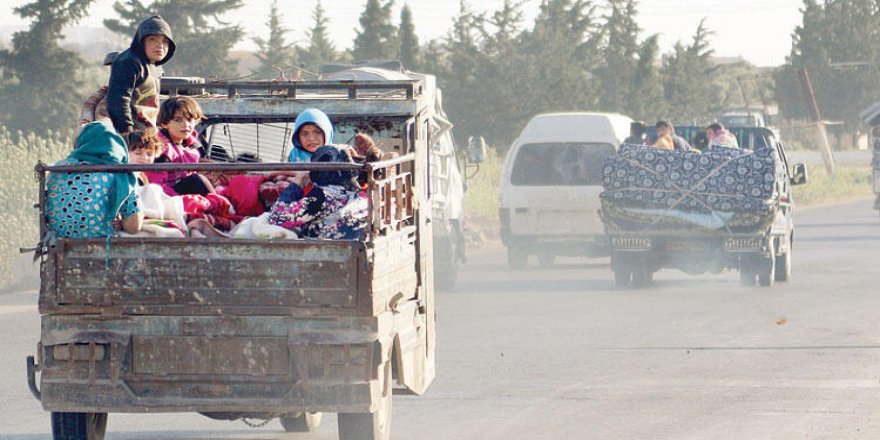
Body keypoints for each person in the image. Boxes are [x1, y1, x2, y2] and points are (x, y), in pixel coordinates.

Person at [46, 120, 143, 238]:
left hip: (59, 240)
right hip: (103, 245)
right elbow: (133, 227)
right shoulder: (119, 174)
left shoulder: (57, 169)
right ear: (116, 144)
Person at [269, 145, 369, 240]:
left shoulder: (321, 197)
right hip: (354, 246)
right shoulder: (361, 195)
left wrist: (296, 185)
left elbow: (277, 218)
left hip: (325, 252)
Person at [106, 15, 176, 139]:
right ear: (141, 41)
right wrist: (127, 134)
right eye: (152, 39)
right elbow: (119, 100)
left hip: (145, 134)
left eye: (165, 41)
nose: (160, 45)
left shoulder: (153, 66)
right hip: (130, 136)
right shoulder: (129, 62)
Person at [144, 96, 215, 196]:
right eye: (178, 120)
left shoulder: (192, 144)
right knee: (197, 180)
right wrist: (181, 200)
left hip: (182, 190)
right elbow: (156, 186)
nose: (186, 125)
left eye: (189, 120)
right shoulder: (161, 150)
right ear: (165, 123)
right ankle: (219, 205)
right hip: (166, 196)